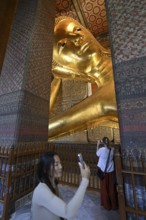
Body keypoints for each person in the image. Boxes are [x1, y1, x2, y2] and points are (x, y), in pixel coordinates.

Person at [48, 16, 118, 140]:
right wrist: (58, 78)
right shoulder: (101, 102)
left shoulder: (127, 48)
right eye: (63, 45)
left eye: (78, 29)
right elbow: (43, 130)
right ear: (67, 68)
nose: (77, 38)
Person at [31, 151, 90, 220]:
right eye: (56, 165)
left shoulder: (53, 183)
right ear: (45, 169)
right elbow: (68, 213)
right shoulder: (41, 190)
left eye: (60, 163)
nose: (61, 167)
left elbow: (62, 209)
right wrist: (84, 180)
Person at [96, 137, 118, 210]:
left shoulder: (102, 150)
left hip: (104, 172)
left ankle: (107, 205)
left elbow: (97, 153)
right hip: (111, 172)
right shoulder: (112, 150)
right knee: (112, 188)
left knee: (105, 189)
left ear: (103, 143)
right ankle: (114, 205)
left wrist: (98, 144)